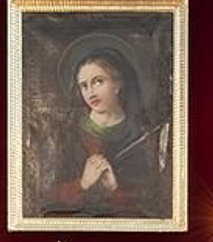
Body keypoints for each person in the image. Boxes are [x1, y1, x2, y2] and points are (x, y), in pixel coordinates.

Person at [44, 47, 167, 217]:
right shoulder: (67, 134)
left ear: (118, 84)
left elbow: (155, 201)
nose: (90, 92)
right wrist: (82, 184)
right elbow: (46, 198)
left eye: (98, 81)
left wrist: (114, 188)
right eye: (84, 86)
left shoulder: (145, 136)